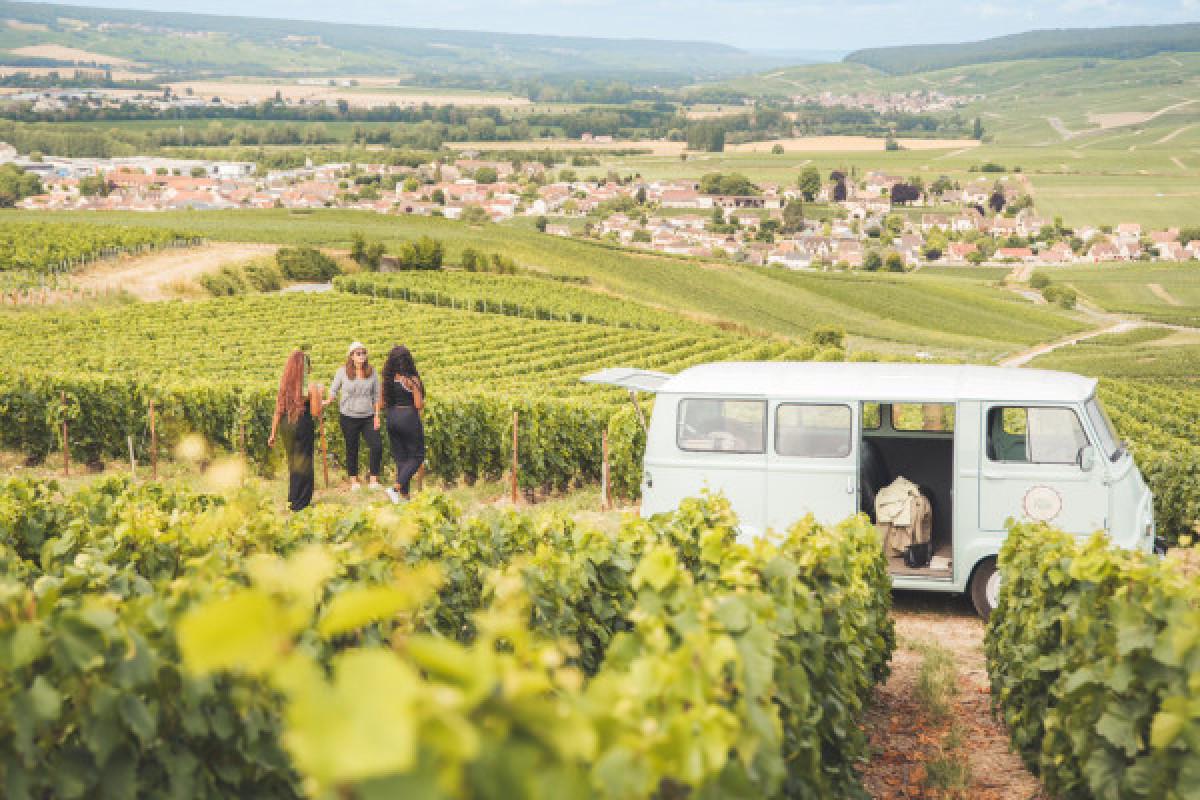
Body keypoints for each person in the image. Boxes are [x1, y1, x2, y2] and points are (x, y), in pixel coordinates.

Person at [268, 349, 322, 512]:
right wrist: (319, 394)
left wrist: (273, 434)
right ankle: (301, 501)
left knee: (292, 461)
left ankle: (292, 497)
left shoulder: (285, 386)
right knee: (304, 461)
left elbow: (278, 410)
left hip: (286, 425)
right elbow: (315, 412)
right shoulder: (310, 388)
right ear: (304, 368)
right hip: (302, 425)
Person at [325, 341, 383, 490]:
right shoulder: (342, 371)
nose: (362, 356)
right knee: (352, 448)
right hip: (348, 416)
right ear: (351, 356)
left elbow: (377, 396)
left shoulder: (372, 371)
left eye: (364, 353)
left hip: (368, 416)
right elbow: (334, 390)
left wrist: (377, 416)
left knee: (376, 445)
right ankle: (353, 480)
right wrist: (327, 401)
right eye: (358, 353)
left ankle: (373, 479)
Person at [381, 344, 425, 504]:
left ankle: (405, 496)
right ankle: (395, 488)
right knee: (417, 455)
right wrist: (423, 403)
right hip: (408, 417)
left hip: (392, 417)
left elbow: (382, 403)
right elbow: (418, 404)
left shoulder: (387, 380)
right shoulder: (412, 380)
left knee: (401, 458)